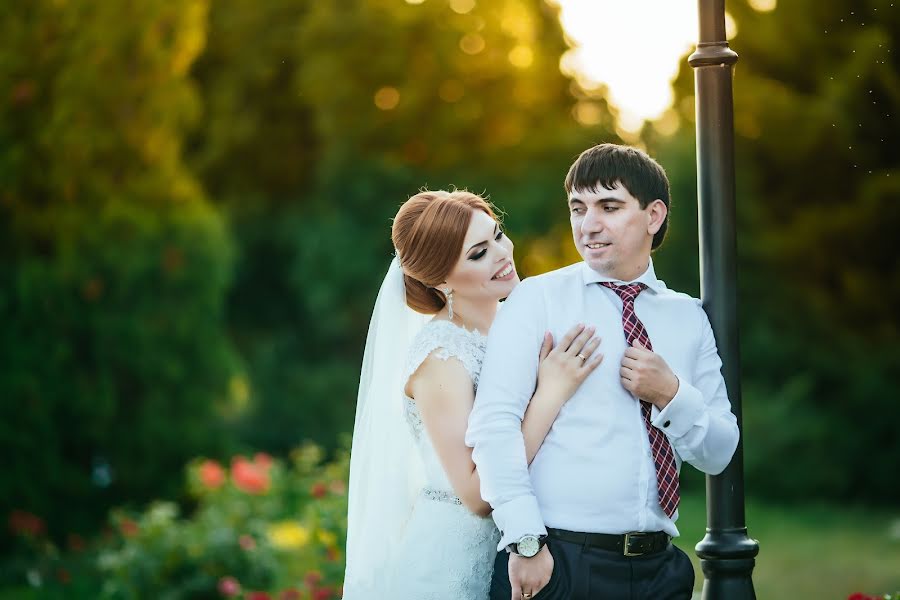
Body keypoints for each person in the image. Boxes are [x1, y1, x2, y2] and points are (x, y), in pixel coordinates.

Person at [466, 143, 741, 600]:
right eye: (578, 208)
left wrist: (672, 394)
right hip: (558, 563)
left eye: (608, 207)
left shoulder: (688, 316)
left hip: (661, 572)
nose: (588, 224)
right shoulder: (538, 300)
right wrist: (525, 539)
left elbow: (719, 452)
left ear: (653, 216)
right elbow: (494, 428)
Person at [342, 190, 603, 599]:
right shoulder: (440, 357)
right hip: (455, 563)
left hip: (532, 547)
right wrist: (551, 393)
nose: (502, 254)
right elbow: (477, 493)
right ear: (441, 279)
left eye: (498, 235)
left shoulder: (517, 326)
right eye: (479, 253)